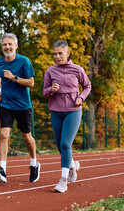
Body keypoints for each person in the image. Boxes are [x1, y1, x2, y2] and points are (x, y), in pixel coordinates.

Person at [0, 33, 40, 183]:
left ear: (16, 46)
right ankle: (3, 169)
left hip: (23, 105)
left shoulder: (24, 61)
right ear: (2, 46)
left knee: (27, 137)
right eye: (5, 44)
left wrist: (14, 78)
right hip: (6, 104)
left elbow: (31, 83)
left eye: (10, 44)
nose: (7, 47)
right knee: (4, 135)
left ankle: (34, 163)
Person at [43, 40, 91, 193]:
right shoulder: (50, 71)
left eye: (60, 53)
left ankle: (63, 181)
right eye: (55, 54)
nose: (57, 56)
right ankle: (72, 166)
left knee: (65, 144)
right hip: (56, 111)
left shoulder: (77, 69)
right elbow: (44, 92)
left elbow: (87, 86)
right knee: (60, 147)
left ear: (67, 53)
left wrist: (81, 98)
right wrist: (51, 89)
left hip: (73, 110)